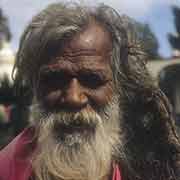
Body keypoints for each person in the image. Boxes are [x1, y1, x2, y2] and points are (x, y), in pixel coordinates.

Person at [0, 3, 179, 180]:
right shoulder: (6, 169)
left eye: (92, 80)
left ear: (119, 87)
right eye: (55, 80)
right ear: (35, 87)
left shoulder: (152, 167)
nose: (73, 98)